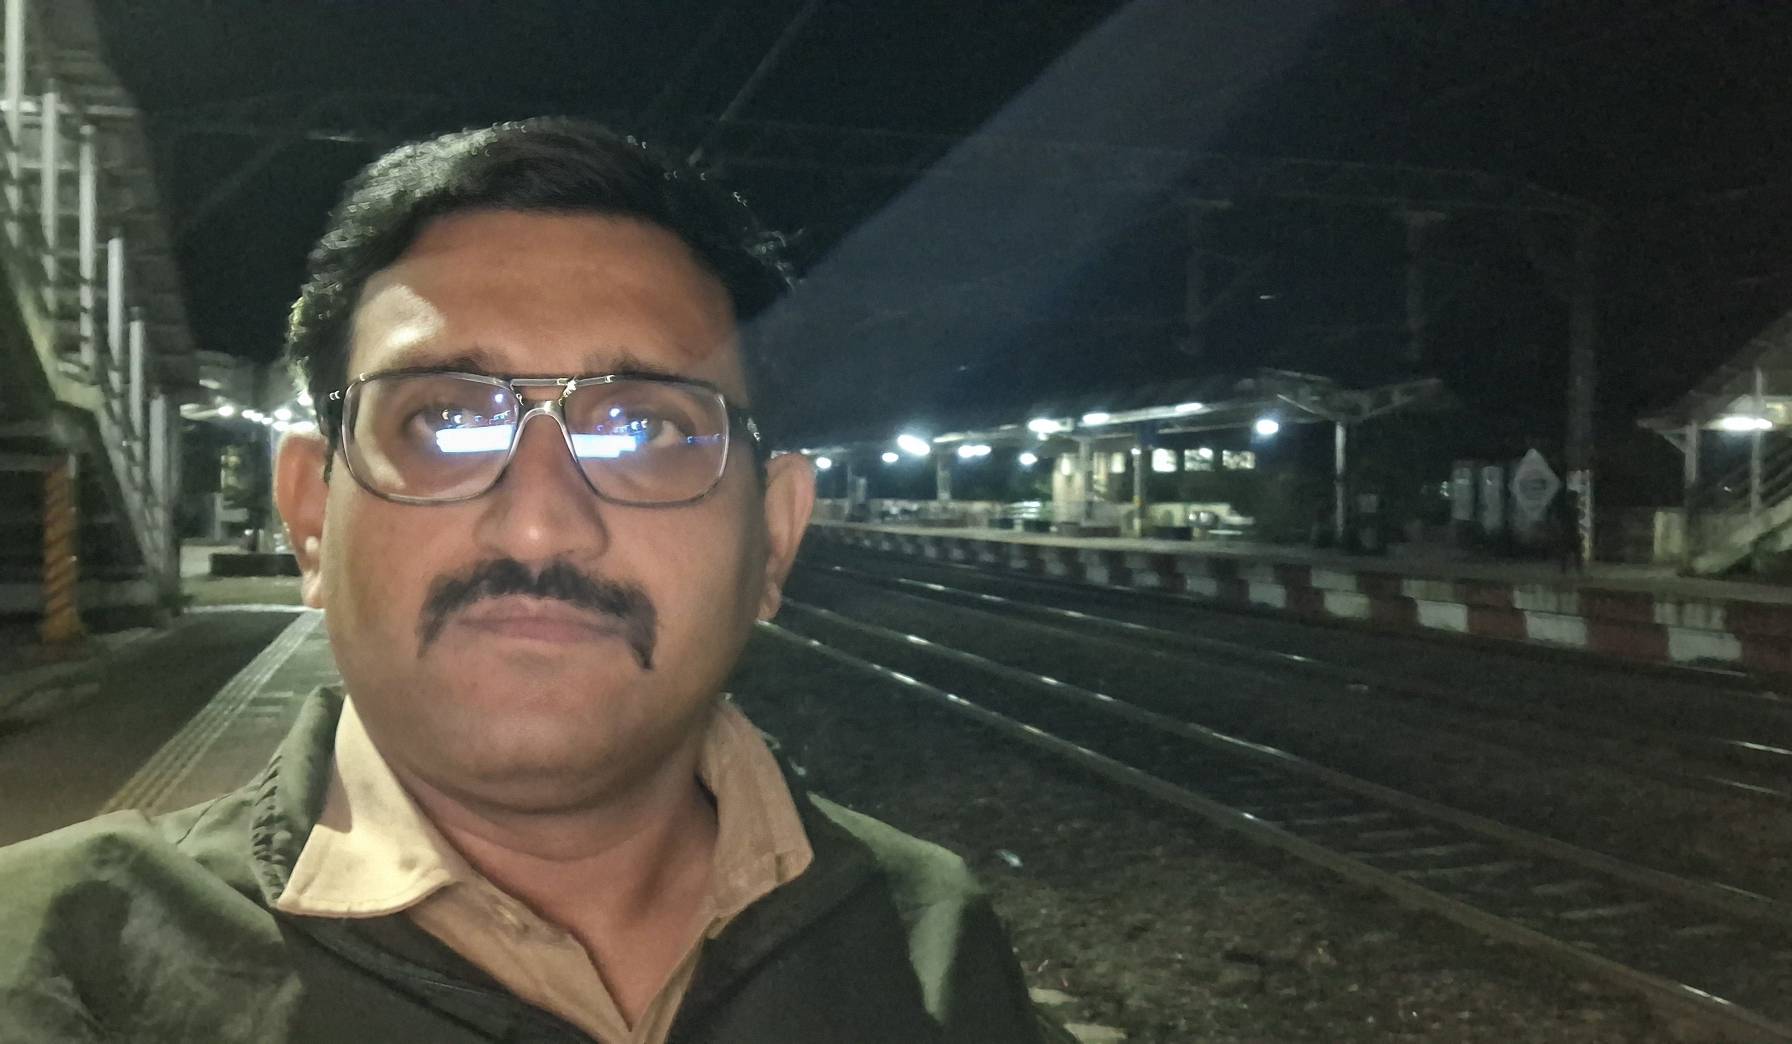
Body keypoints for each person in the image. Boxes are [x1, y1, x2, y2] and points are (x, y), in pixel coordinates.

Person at [0, 118, 1053, 1043]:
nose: (541, 519)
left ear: (773, 539)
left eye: (644, 428)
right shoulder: (49, 956)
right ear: (313, 517)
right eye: (443, 420)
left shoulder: (932, 945)